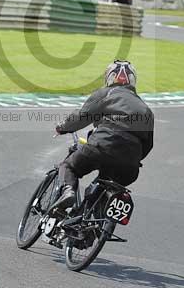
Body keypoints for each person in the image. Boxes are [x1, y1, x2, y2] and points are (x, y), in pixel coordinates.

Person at [50, 60, 154, 212]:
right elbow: (148, 145)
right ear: (133, 80)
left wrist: (62, 128)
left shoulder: (106, 93)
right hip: (130, 167)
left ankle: (68, 192)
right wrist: (131, 158)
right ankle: (92, 219)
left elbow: (82, 116)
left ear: (110, 77)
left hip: (103, 146)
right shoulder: (146, 109)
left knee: (68, 166)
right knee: (104, 184)